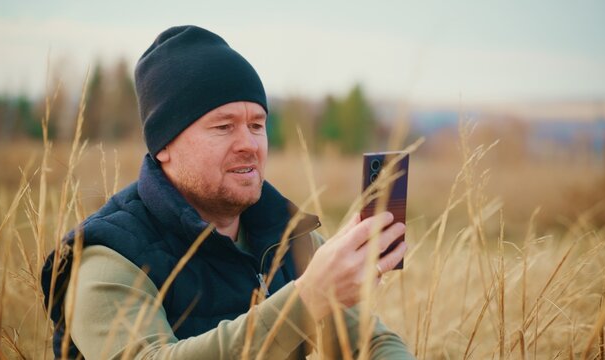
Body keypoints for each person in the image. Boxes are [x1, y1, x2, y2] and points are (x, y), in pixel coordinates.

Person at [41, 25, 413, 359]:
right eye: (223, 127)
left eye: (256, 124)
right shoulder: (109, 255)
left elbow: (370, 344)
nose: (249, 144)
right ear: (164, 144)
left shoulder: (289, 240)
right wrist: (306, 299)